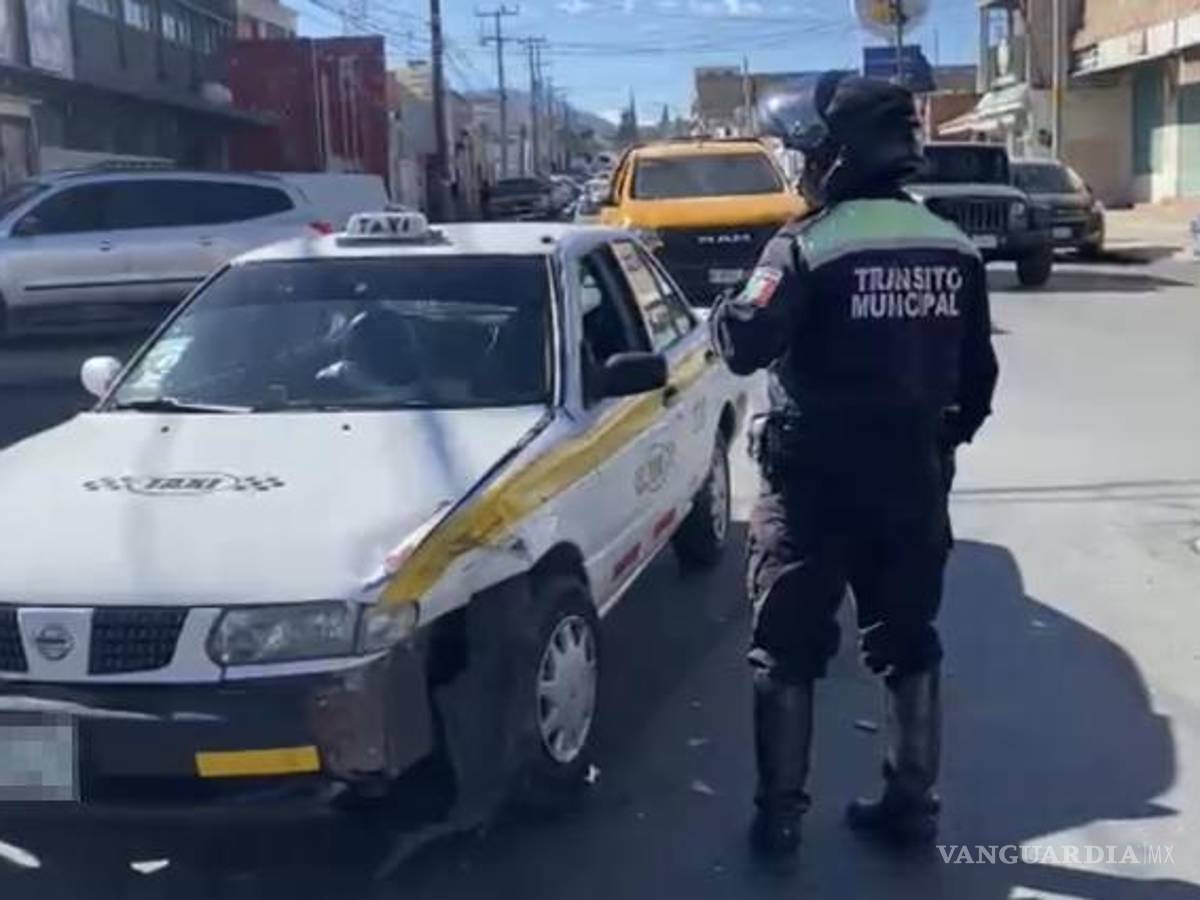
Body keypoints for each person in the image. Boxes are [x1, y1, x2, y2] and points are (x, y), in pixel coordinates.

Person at [709, 72, 999, 859]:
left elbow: (744, 345)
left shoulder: (808, 243)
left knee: (787, 650)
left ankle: (779, 818)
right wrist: (932, 448)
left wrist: (725, 302)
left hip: (812, 490)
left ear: (837, 158)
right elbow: (979, 383)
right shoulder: (953, 246)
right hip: (911, 483)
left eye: (808, 153)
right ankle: (913, 803)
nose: (802, 168)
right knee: (908, 642)